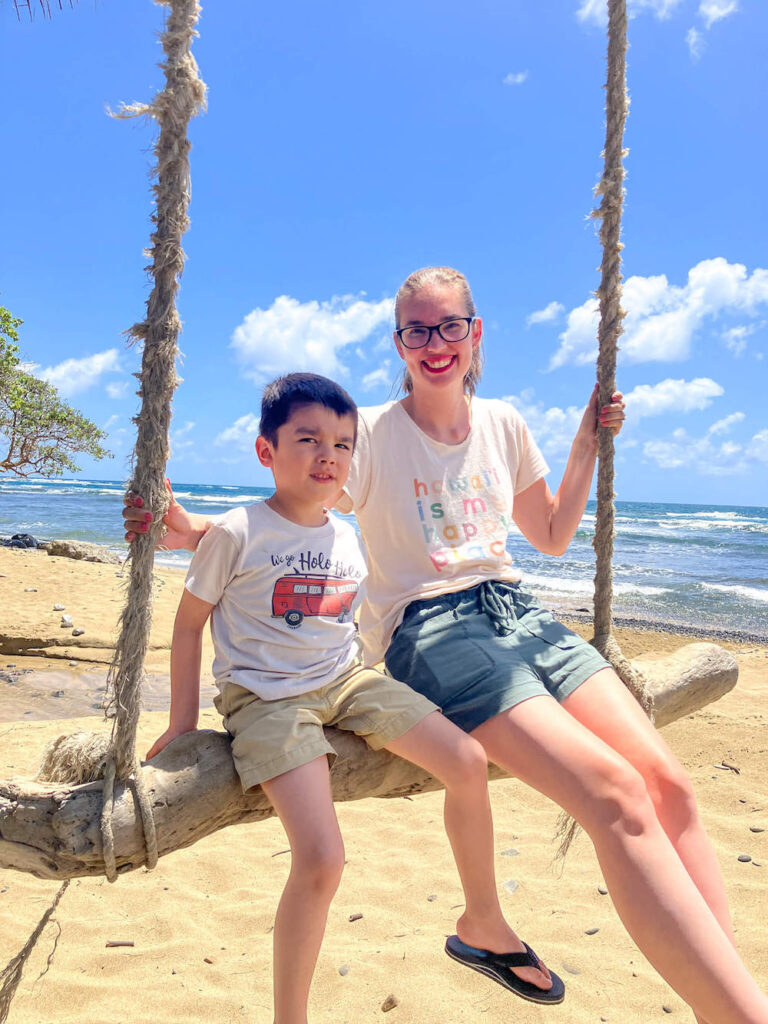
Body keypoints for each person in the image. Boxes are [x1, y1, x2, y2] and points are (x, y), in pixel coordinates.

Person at [127, 269, 768, 1024]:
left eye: (449, 327)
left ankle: (715, 1002)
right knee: (616, 796)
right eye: (416, 330)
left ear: (476, 332)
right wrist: (190, 528)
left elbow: (554, 536)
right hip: (432, 630)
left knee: (671, 789)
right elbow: (290, 508)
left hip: (521, 614)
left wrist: (586, 444)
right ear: (399, 342)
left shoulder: (504, 424)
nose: (434, 344)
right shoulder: (366, 432)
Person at [145, 371, 563, 1024]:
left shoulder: (346, 534)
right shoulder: (236, 531)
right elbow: (187, 624)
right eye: (308, 439)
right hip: (269, 701)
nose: (329, 456)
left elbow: (350, 621)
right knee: (322, 860)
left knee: (467, 761)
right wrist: (181, 722)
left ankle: (482, 919)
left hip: (348, 682)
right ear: (267, 452)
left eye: (343, 444)